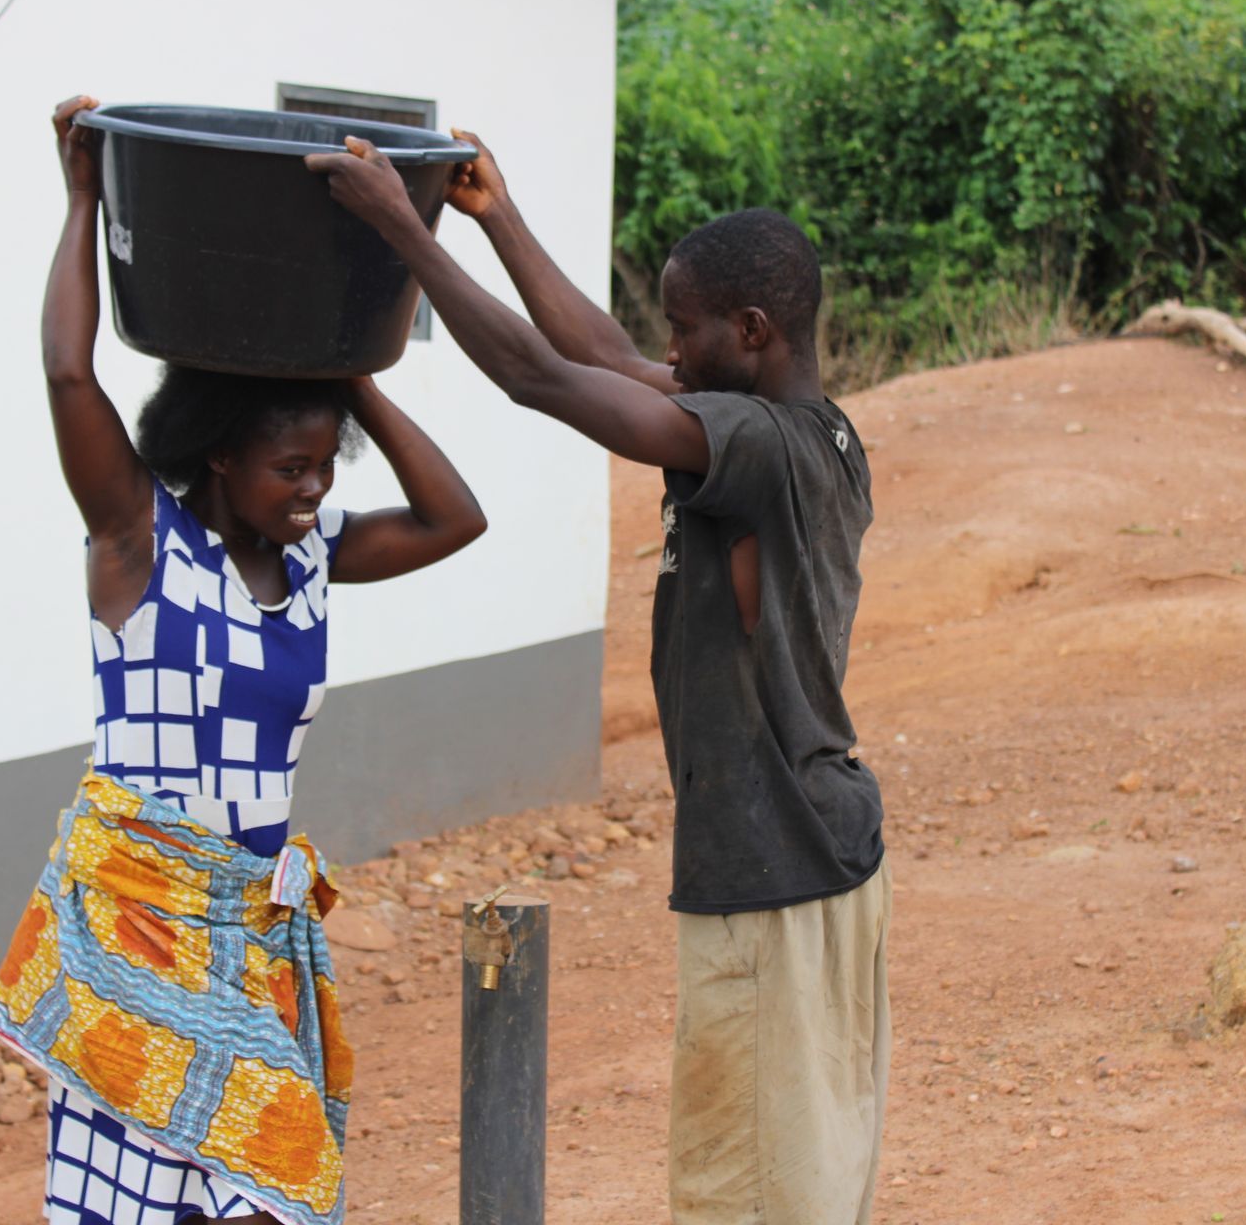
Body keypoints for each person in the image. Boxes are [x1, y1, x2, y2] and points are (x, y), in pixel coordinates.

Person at [309, 134, 890, 1223]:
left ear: (751, 334)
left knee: (754, 1189)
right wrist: (499, 217)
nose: (668, 352)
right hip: (826, 843)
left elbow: (545, 379)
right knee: (802, 1175)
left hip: (774, 868)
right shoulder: (809, 428)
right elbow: (609, 355)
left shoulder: (758, 448)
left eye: (688, 331)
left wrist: (399, 226)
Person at [0, 97, 486, 1225]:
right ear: (217, 455)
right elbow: (71, 377)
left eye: (326, 466)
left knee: (262, 1190)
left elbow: (457, 519)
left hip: (248, 924)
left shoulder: (314, 562)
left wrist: (351, 365)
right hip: (140, 920)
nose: (316, 490)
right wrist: (80, 200)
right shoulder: (140, 544)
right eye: (292, 468)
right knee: (154, 1188)